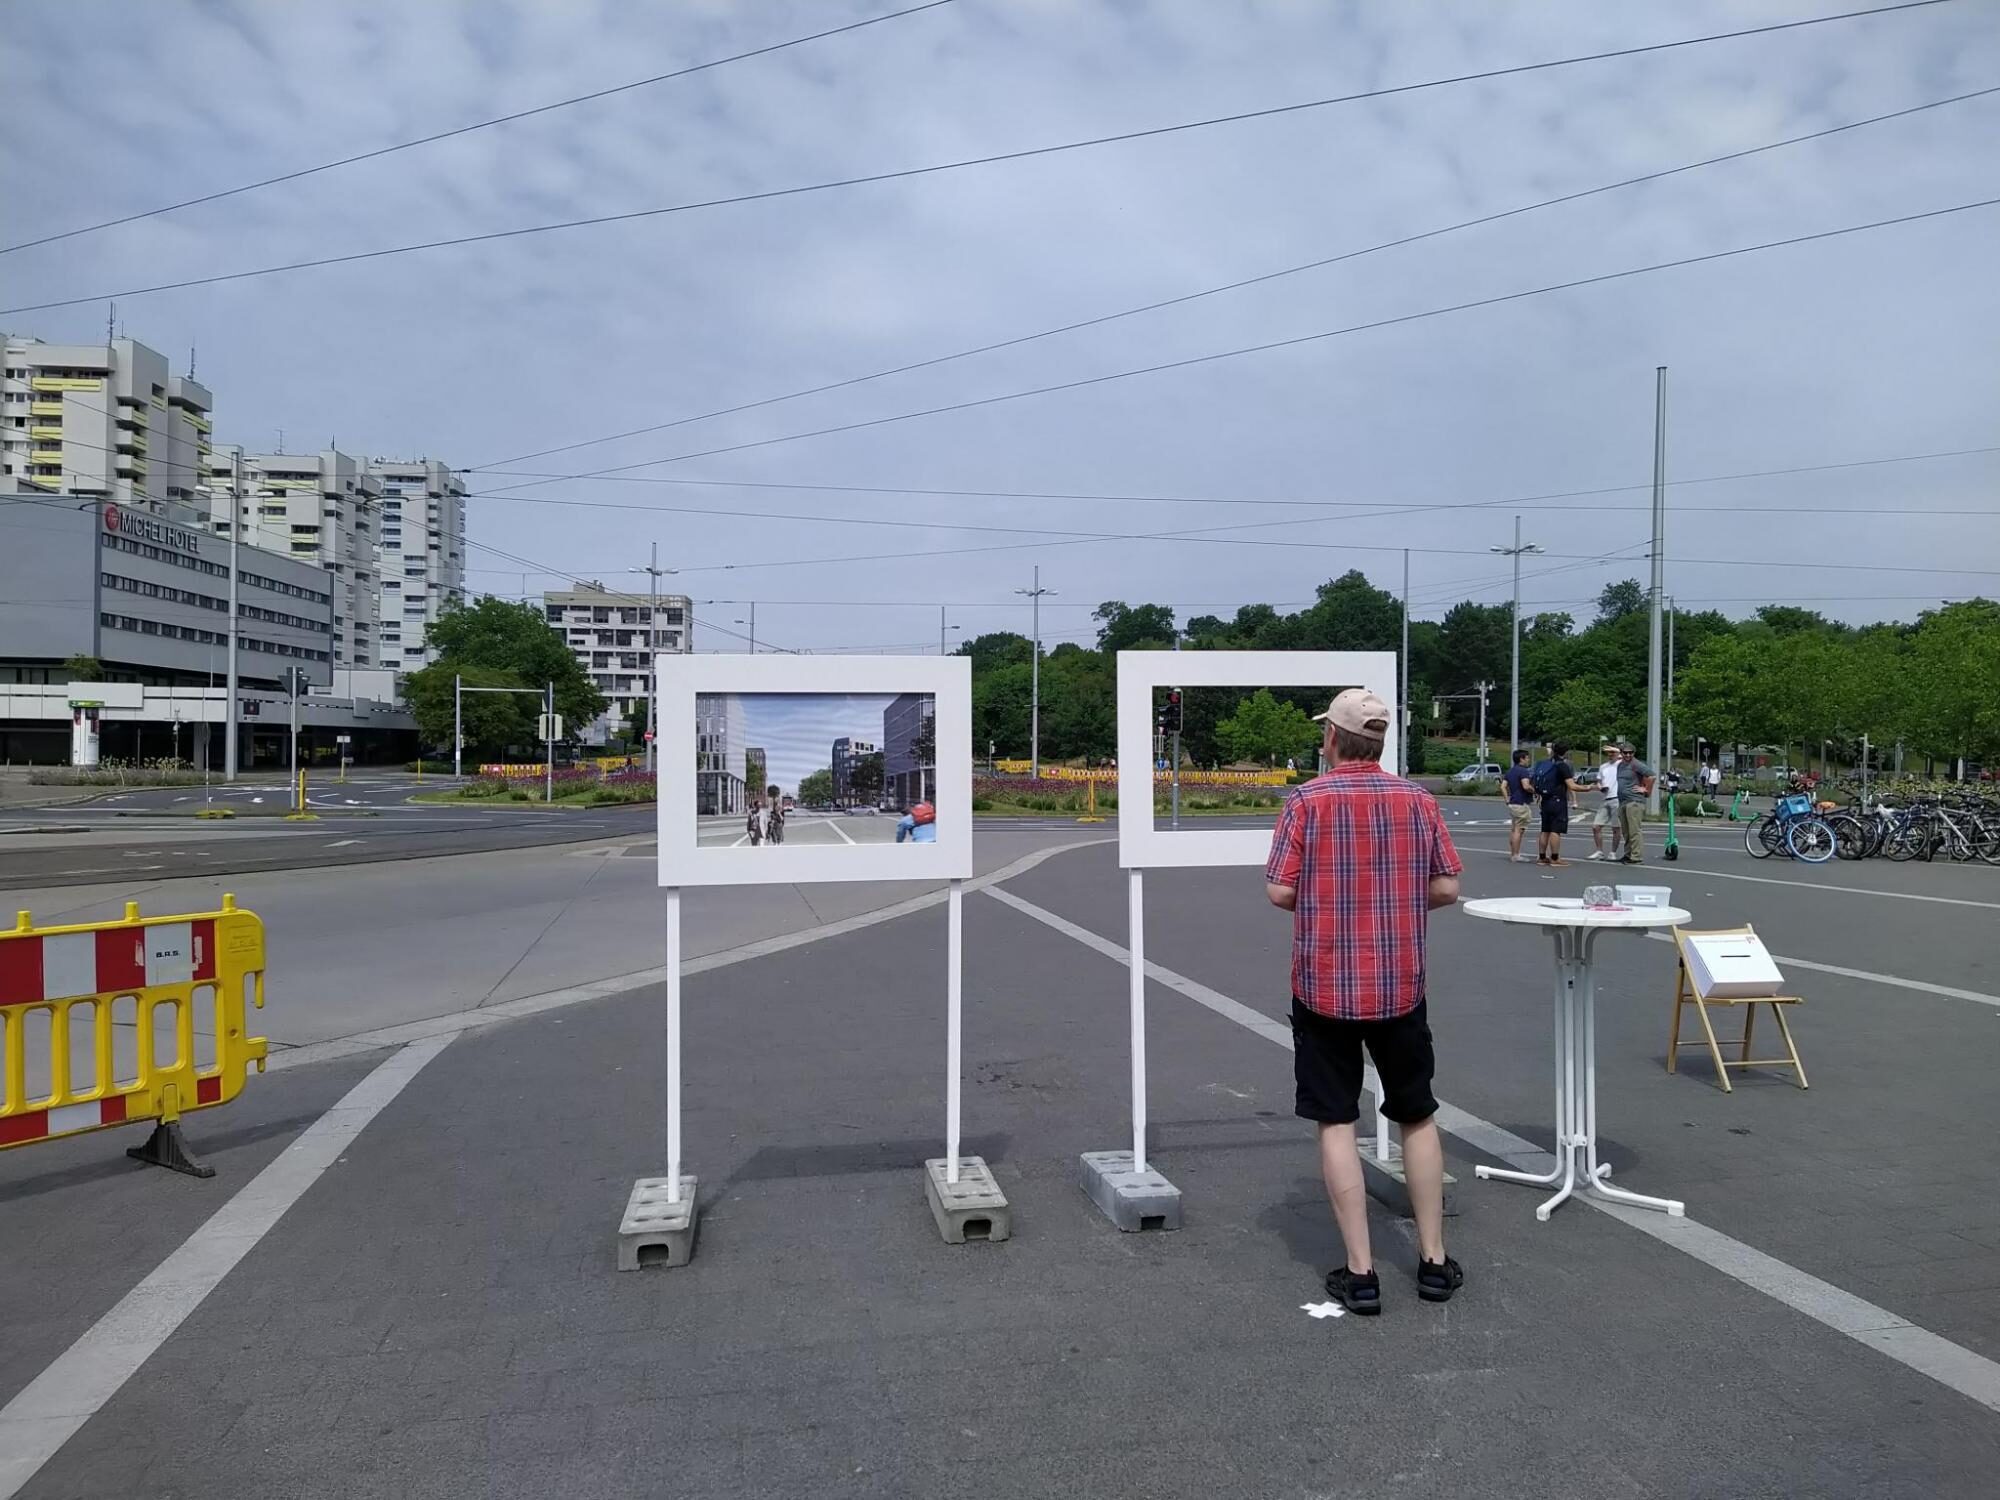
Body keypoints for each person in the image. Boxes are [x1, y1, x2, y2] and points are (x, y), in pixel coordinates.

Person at [1265, 688, 1464, 1315]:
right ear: (1380, 740)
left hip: (1325, 984)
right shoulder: (1418, 800)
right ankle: (1432, 1260)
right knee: (1417, 1114)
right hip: (1401, 983)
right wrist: (1398, 901)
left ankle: (1361, 1271)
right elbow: (1447, 885)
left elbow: (1278, 890)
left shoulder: (1306, 800)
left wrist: (1329, 903)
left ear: (1332, 739)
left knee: (1336, 1119)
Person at [1530, 740, 1590, 867]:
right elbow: (1571, 785)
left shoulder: (1545, 763)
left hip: (1545, 799)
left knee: (1545, 829)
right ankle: (1555, 858)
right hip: (1557, 800)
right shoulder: (1562, 765)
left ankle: (1542, 857)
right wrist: (1590, 787)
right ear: (1566, 752)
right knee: (1555, 830)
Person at [1614, 741, 1656, 864]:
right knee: (1626, 831)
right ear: (1621, 753)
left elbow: (1652, 776)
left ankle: (1636, 856)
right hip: (1623, 801)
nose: (1628, 755)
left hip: (1634, 801)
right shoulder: (1620, 765)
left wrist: (1646, 789)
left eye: (1630, 753)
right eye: (1625, 753)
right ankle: (1628, 854)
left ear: (1634, 753)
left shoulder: (1636, 764)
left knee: (1634, 830)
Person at [1587, 745, 1623, 862]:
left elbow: (1626, 757)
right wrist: (1600, 787)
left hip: (1617, 798)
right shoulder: (1603, 767)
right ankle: (1599, 851)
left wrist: (1617, 750)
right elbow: (1598, 781)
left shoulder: (1621, 764)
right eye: (1609, 753)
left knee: (1616, 828)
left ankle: (1613, 852)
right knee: (1596, 826)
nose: (1610, 754)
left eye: (1613, 752)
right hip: (1606, 798)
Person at [1501, 749, 1535, 863]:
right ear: (1522, 759)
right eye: (1527, 758)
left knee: (1514, 828)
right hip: (1521, 803)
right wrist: (1534, 790)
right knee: (1519, 830)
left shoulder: (1510, 771)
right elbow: (1526, 786)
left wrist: (1507, 799)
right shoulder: (1523, 771)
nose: (1528, 760)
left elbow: (1503, 786)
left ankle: (1513, 853)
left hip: (1513, 803)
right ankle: (1516, 855)